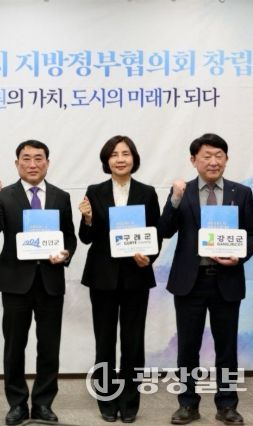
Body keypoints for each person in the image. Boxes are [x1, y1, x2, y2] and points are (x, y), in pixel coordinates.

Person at [158, 133, 253, 426]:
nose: (213, 162)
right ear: (194, 160)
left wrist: (239, 255)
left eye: (219, 156)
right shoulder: (183, 191)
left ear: (226, 159)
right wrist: (174, 200)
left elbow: (252, 234)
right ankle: (187, 404)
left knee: (226, 348)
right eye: (207, 156)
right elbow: (164, 230)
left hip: (226, 280)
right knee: (188, 347)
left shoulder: (241, 193)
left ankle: (227, 405)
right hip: (190, 281)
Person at [0, 140, 77, 425]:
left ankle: (43, 403)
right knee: (14, 346)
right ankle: (17, 404)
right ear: (17, 164)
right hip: (15, 282)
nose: (32, 164)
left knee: (49, 346)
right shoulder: (5, 195)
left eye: (38, 158)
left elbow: (69, 236)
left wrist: (66, 253)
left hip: (50, 282)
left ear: (47, 163)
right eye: (26, 159)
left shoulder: (61, 196)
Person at [77, 136, 160, 423]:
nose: (120, 159)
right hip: (103, 277)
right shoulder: (95, 191)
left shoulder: (147, 193)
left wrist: (149, 256)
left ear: (134, 158)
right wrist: (87, 219)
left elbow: (155, 234)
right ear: (106, 161)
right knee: (105, 340)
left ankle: (130, 401)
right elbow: (85, 238)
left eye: (125, 153)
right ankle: (106, 398)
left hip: (137, 276)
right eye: (114, 154)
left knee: (133, 342)